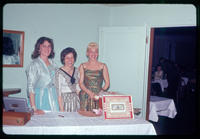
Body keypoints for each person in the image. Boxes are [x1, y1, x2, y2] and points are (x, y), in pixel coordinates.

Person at [26, 37, 59, 115]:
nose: (47, 48)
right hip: (40, 98)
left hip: (53, 97)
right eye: (44, 46)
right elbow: (30, 87)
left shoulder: (53, 64)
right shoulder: (34, 64)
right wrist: (34, 108)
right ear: (39, 48)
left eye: (49, 46)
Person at [79, 42, 110, 113]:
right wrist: (90, 93)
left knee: (99, 118)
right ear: (87, 53)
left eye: (95, 52)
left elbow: (107, 83)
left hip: (98, 96)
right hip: (86, 95)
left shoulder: (103, 66)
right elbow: (80, 83)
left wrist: (100, 93)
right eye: (91, 52)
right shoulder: (83, 66)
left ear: (98, 53)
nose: (93, 54)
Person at [55, 47, 80, 112]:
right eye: (67, 58)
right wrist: (61, 110)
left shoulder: (77, 70)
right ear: (63, 59)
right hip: (64, 101)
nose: (70, 60)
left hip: (76, 101)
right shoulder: (59, 72)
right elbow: (58, 93)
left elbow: (78, 89)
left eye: (72, 57)